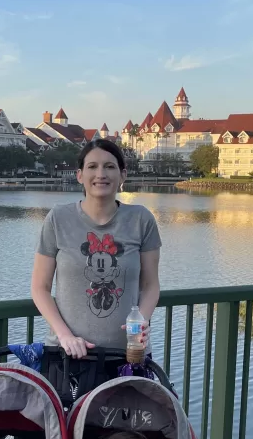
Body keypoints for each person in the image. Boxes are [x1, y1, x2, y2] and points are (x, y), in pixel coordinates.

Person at [31, 139, 161, 361]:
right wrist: (65, 336)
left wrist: (141, 322)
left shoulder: (141, 219)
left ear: (123, 175)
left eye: (110, 167)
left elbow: (150, 285)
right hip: (69, 356)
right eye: (92, 166)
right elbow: (39, 288)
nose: (101, 174)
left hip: (128, 354)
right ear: (80, 175)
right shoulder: (58, 219)